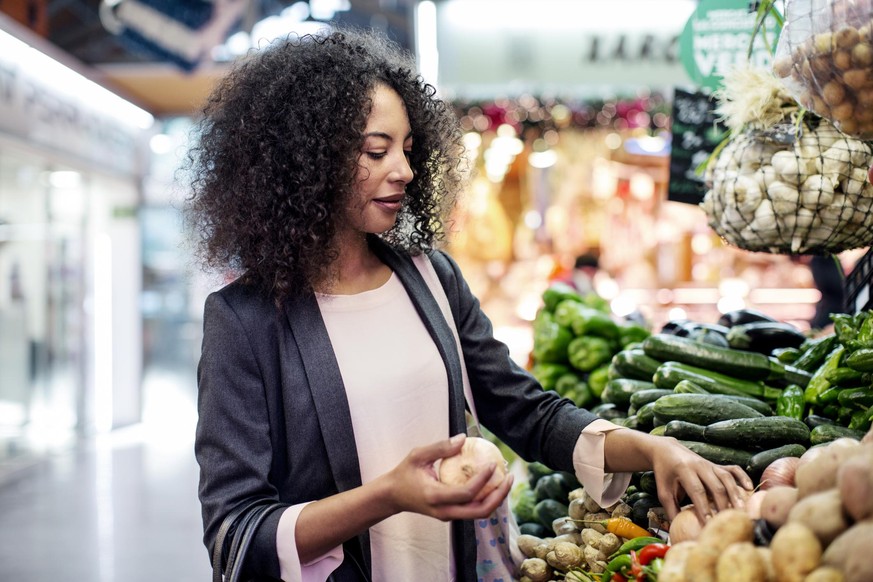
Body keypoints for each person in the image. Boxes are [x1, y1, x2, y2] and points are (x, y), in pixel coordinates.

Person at [186, 28, 752, 582]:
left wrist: (652, 448)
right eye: (375, 151)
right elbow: (237, 534)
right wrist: (388, 495)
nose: (404, 171)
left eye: (408, 149)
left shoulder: (430, 278)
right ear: (305, 159)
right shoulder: (246, 320)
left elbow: (525, 412)